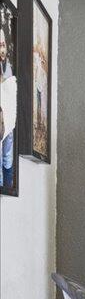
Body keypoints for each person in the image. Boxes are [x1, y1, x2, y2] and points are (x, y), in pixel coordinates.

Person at [0, 13, 17, 190]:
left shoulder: (8, 67)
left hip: (7, 119)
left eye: (3, 45)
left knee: (8, 149)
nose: (2, 50)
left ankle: (7, 183)